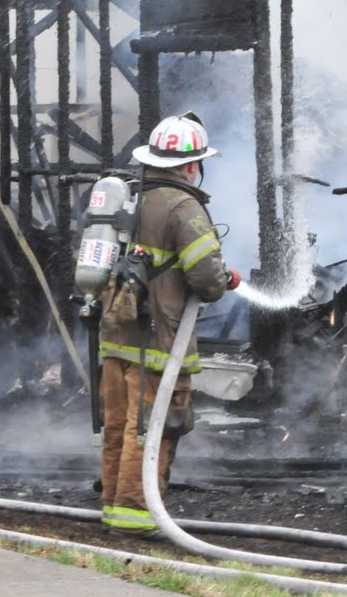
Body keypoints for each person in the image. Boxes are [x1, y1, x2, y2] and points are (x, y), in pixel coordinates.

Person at [98, 111, 241, 535]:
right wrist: (225, 279)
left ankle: (113, 509)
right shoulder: (184, 207)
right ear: (192, 165)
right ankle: (135, 517)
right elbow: (207, 281)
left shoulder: (128, 196)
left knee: (118, 426)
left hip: (116, 333)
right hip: (157, 340)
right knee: (150, 428)